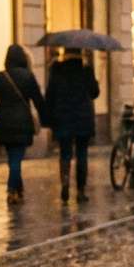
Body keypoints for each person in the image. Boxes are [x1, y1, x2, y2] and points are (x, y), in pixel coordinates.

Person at [0, 45, 47, 204]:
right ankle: (12, 190)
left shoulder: (0, 76)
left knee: (13, 158)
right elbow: (38, 100)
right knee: (16, 158)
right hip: (22, 123)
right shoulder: (28, 76)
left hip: (5, 124)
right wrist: (45, 118)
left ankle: (18, 190)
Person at [45, 48, 100, 203]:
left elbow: (50, 94)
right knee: (82, 154)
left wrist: (49, 117)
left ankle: (65, 183)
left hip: (63, 117)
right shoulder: (86, 70)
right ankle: (81, 191)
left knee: (65, 153)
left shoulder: (57, 69)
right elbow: (95, 92)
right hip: (83, 117)